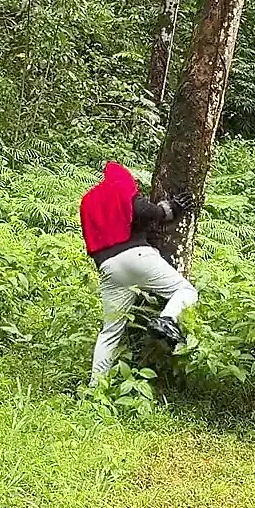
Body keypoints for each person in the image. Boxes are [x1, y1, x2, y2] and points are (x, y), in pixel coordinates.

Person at [78, 161, 198, 382]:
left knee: (110, 332)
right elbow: (141, 210)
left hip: (108, 267)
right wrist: (168, 209)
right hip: (136, 256)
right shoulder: (119, 187)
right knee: (186, 291)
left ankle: (95, 387)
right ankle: (167, 319)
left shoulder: (88, 201)